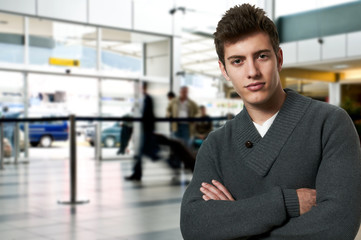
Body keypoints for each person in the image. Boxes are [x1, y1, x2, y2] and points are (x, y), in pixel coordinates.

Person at [180, 4, 361, 240]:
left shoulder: (330, 124)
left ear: (279, 58)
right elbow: (195, 226)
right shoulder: (216, 145)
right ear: (224, 70)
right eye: (237, 61)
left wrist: (236, 226)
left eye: (261, 56)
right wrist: (288, 202)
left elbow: (338, 226)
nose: (252, 71)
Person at [125, 82, 159, 181]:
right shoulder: (144, 99)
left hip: (147, 130)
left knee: (141, 153)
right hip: (144, 130)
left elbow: (150, 115)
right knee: (144, 153)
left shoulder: (148, 99)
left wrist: (151, 130)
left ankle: (137, 174)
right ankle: (137, 173)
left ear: (143, 87)